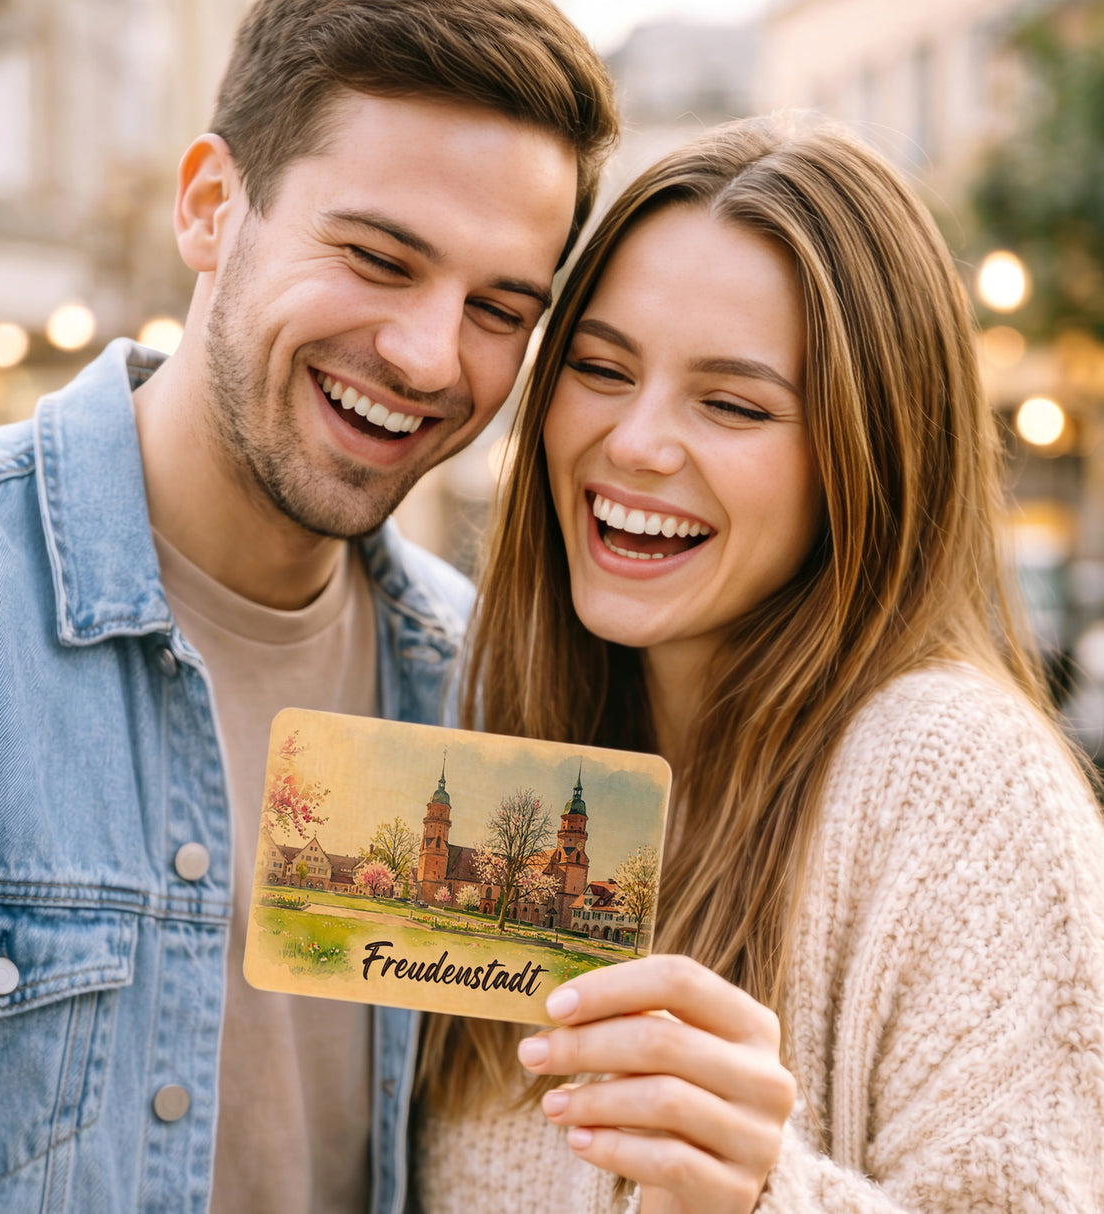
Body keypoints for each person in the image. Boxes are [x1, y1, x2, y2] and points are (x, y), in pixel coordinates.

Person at [0, 2, 617, 1211]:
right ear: (210, 206)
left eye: (498, 309)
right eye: (377, 257)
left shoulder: (486, 691)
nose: (429, 356)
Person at [413, 115, 1104, 1213]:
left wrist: (760, 1194)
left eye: (731, 404)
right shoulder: (504, 730)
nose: (635, 441)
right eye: (600, 368)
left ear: (865, 456)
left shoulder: (958, 782)